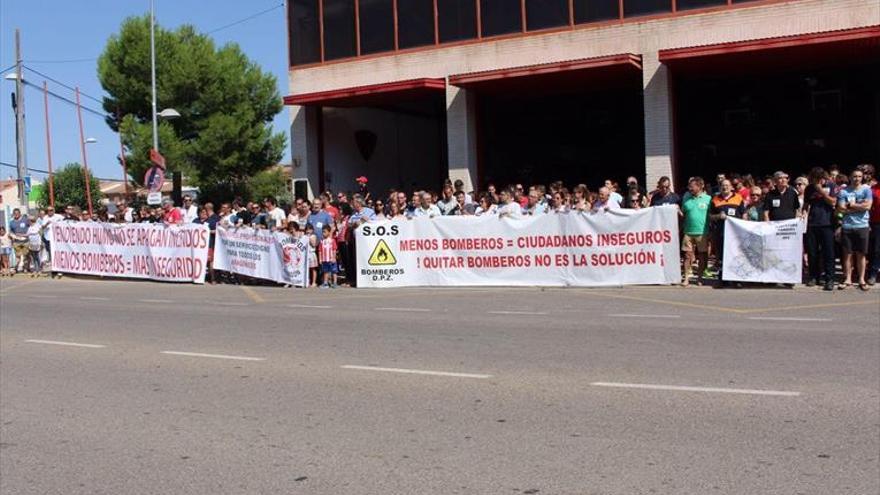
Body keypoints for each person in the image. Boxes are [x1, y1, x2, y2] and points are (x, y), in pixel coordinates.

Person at [836, 169, 873, 291]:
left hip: (862, 226)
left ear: (862, 177)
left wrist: (851, 205)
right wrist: (859, 206)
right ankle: (848, 279)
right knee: (847, 255)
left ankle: (861, 279)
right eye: (854, 176)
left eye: (859, 176)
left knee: (861, 254)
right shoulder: (844, 191)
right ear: (850, 177)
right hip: (847, 226)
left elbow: (868, 206)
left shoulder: (866, 189)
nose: (857, 178)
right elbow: (841, 208)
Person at [803, 167, 837, 290]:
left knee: (828, 253)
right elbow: (806, 205)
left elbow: (833, 202)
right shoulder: (809, 188)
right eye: (815, 180)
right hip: (812, 223)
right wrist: (803, 213)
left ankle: (829, 279)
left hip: (827, 223)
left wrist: (821, 191)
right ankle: (813, 277)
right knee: (812, 252)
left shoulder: (831, 185)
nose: (817, 182)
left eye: (820, 179)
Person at [709, 179, 745, 283]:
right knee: (722, 255)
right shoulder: (715, 199)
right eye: (723, 186)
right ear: (720, 187)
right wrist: (718, 216)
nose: (725, 187)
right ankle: (723, 278)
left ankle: (737, 279)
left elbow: (743, 214)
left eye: (727, 185)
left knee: (736, 255)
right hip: (721, 232)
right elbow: (710, 216)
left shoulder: (738, 198)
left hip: (735, 233)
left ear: (731, 187)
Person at [680, 177, 711, 286]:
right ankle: (686, 278)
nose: (690, 188)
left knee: (702, 255)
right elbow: (683, 214)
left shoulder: (708, 199)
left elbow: (712, 215)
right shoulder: (686, 199)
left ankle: (700, 277)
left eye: (692, 186)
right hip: (688, 232)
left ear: (699, 186)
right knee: (687, 255)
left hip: (702, 233)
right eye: (689, 186)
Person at [866, 164, 880, 285]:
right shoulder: (873, 189)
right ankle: (873, 274)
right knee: (875, 250)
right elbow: (869, 208)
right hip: (876, 223)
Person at [8, 208, 29, 273]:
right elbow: (11, 232)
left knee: (26, 255)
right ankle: (17, 268)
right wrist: (11, 236)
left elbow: (31, 227)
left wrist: (25, 235)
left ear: (20, 213)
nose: (16, 215)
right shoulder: (11, 222)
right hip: (16, 242)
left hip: (25, 241)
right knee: (18, 256)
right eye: (15, 213)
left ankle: (26, 268)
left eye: (17, 213)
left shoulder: (25, 220)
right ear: (13, 214)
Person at [319, 224, 339, 288]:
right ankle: (325, 283)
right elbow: (320, 251)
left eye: (324, 232)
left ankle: (335, 283)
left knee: (334, 271)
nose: (323, 233)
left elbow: (334, 250)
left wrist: (334, 258)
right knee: (325, 271)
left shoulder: (332, 241)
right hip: (325, 259)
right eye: (322, 231)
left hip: (331, 259)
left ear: (329, 232)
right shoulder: (322, 241)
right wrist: (320, 259)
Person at [304, 223, 319, 287]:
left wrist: (309, 238)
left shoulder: (313, 236)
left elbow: (314, 244)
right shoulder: (305, 236)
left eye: (310, 229)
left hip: (312, 253)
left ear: (312, 230)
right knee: (307, 269)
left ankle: (314, 282)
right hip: (306, 254)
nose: (308, 231)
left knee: (313, 268)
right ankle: (308, 281)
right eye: (307, 229)